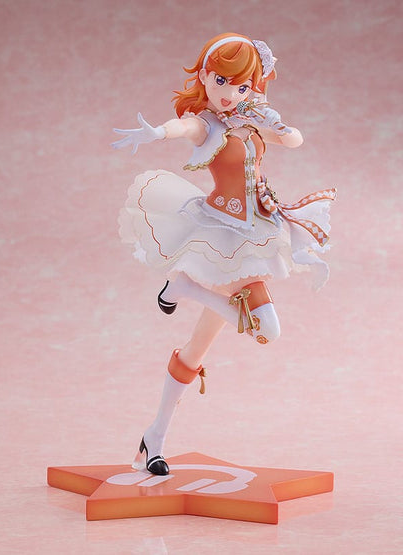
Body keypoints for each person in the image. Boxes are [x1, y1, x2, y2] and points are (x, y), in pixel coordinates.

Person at [113, 32, 336, 475]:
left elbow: (293, 140)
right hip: (223, 233)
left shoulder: (250, 119)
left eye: (242, 86)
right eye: (221, 81)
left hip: (256, 230)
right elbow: (185, 127)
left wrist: (277, 126)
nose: (230, 94)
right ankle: (186, 289)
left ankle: (154, 436)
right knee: (264, 330)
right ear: (204, 76)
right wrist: (157, 132)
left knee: (195, 352)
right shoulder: (208, 124)